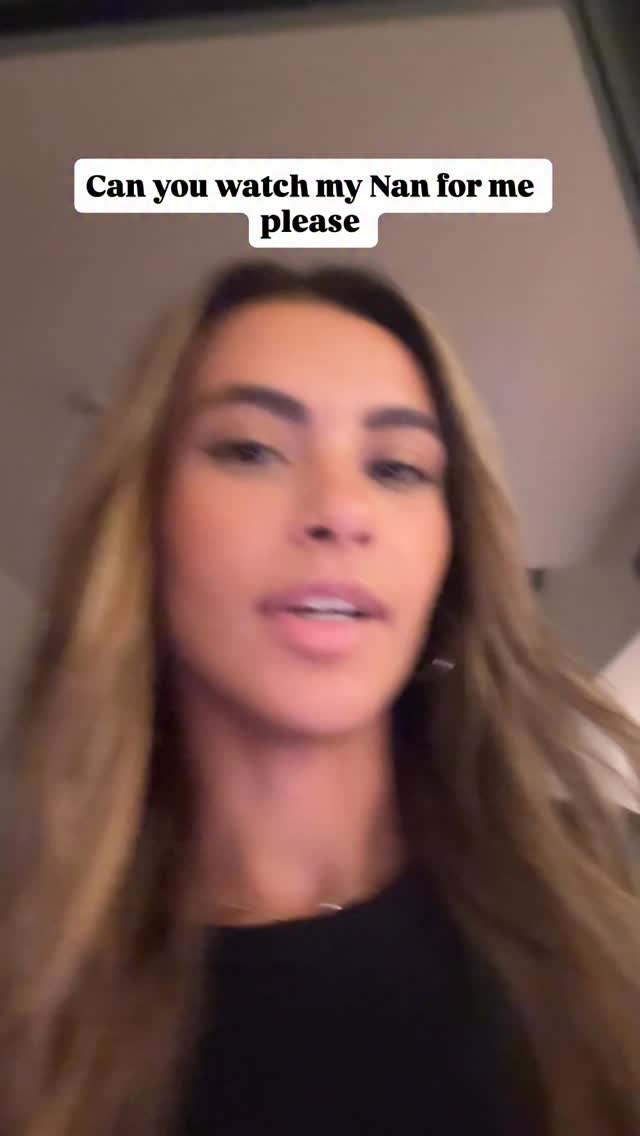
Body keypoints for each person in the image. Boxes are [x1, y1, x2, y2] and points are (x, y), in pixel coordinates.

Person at [1, 260, 639, 1136]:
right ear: (142, 523)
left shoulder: (615, 884)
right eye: (250, 450)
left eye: (398, 468)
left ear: (451, 556)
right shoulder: (29, 994)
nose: (340, 511)